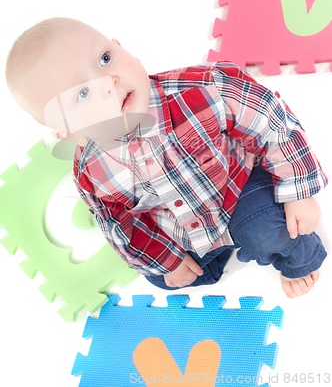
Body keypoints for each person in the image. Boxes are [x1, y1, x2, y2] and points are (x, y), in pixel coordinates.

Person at [5, 17, 328, 298]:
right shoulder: (92, 171)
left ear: (121, 47)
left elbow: (268, 119)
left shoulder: (199, 90)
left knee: (275, 229)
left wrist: (298, 188)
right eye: (83, 93)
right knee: (162, 278)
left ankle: (299, 260)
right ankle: (204, 263)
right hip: (179, 229)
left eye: (105, 58)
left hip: (237, 189)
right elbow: (118, 224)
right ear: (66, 131)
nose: (109, 84)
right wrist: (166, 260)